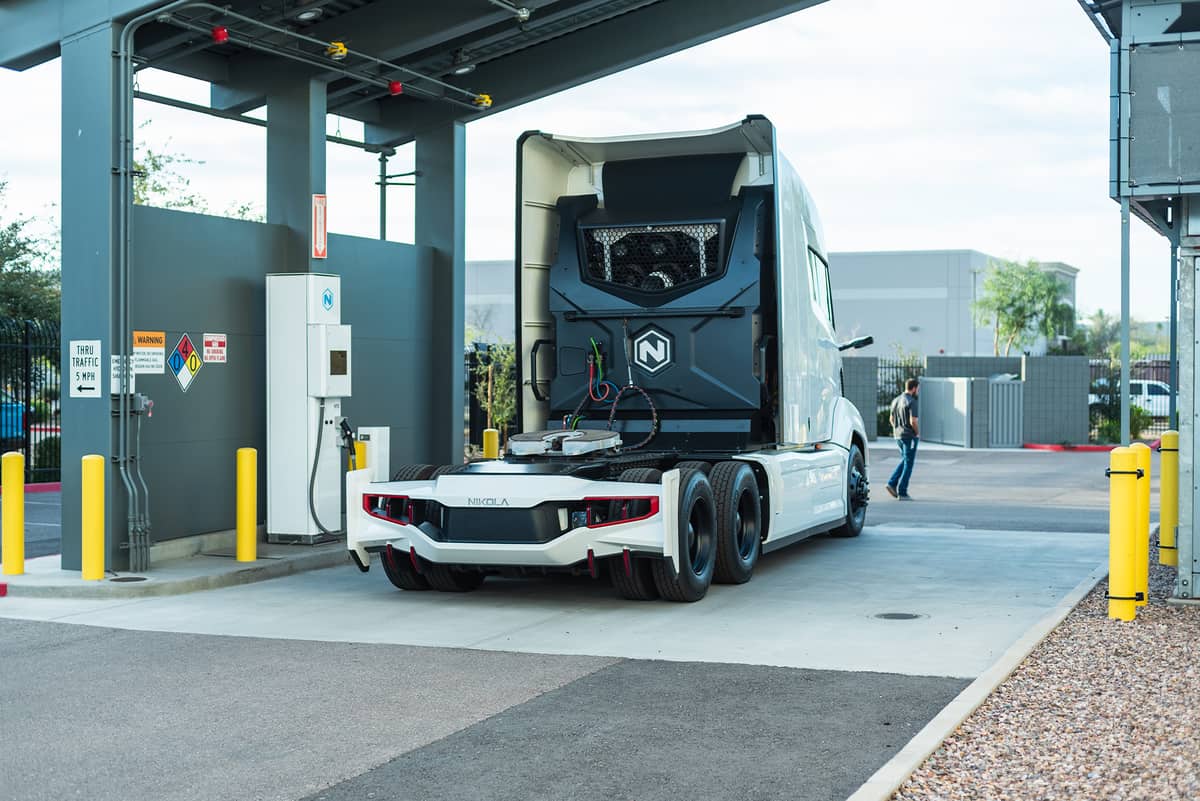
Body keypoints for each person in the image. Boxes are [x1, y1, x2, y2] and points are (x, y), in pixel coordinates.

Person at [886, 378, 920, 500]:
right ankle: (902, 492)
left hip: (898, 436)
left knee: (906, 460)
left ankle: (891, 483)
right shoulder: (912, 401)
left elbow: (891, 419)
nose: (918, 391)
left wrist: (897, 429)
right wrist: (917, 433)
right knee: (908, 464)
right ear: (914, 388)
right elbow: (913, 421)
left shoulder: (895, 400)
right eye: (918, 389)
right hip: (909, 436)